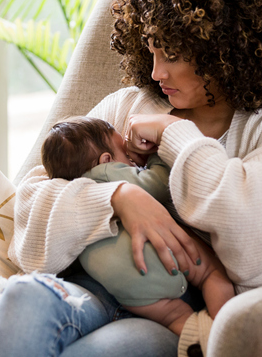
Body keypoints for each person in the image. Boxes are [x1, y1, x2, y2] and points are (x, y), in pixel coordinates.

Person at [0, 0, 262, 357]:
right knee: (22, 297)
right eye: (151, 51)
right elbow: (30, 207)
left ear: (220, 48)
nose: (155, 72)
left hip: (173, 313)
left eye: (171, 54)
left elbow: (259, 250)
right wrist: (118, 196)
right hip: (86, 287)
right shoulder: (129, 104)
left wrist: (172, 134)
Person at [40, 116, 235, 338]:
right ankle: (223, 335)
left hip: (122, 287)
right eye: (125, 153)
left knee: (175, 316)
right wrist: (157, 156)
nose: (134, 161)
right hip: (153, 260)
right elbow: (158, 184)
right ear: (107, 159)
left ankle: (196, 337)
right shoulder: (107, 173)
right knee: (212, 274)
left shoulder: (71, 194)